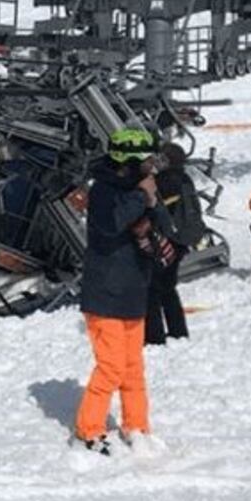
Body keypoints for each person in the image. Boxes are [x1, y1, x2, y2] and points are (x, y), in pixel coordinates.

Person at [75, 128, 173, 455]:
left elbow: (165, 225)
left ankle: (138, 426)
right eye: (145, 161)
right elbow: (111, 223)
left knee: (133, 369)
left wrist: (153, 202)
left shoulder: (139, 189)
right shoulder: (103, 190)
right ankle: (89, 430)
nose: (150, 168)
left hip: (133, 293)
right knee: (112, 367)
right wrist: (141, 198)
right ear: (128, 163)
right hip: (104, 295)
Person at [144, 142, 206, 345]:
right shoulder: (184, 178)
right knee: (167, 288)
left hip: (167, 240)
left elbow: (156, 210)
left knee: (152, 288)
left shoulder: (165, 181)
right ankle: (178, 331)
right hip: (181, 240)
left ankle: (154, 337)